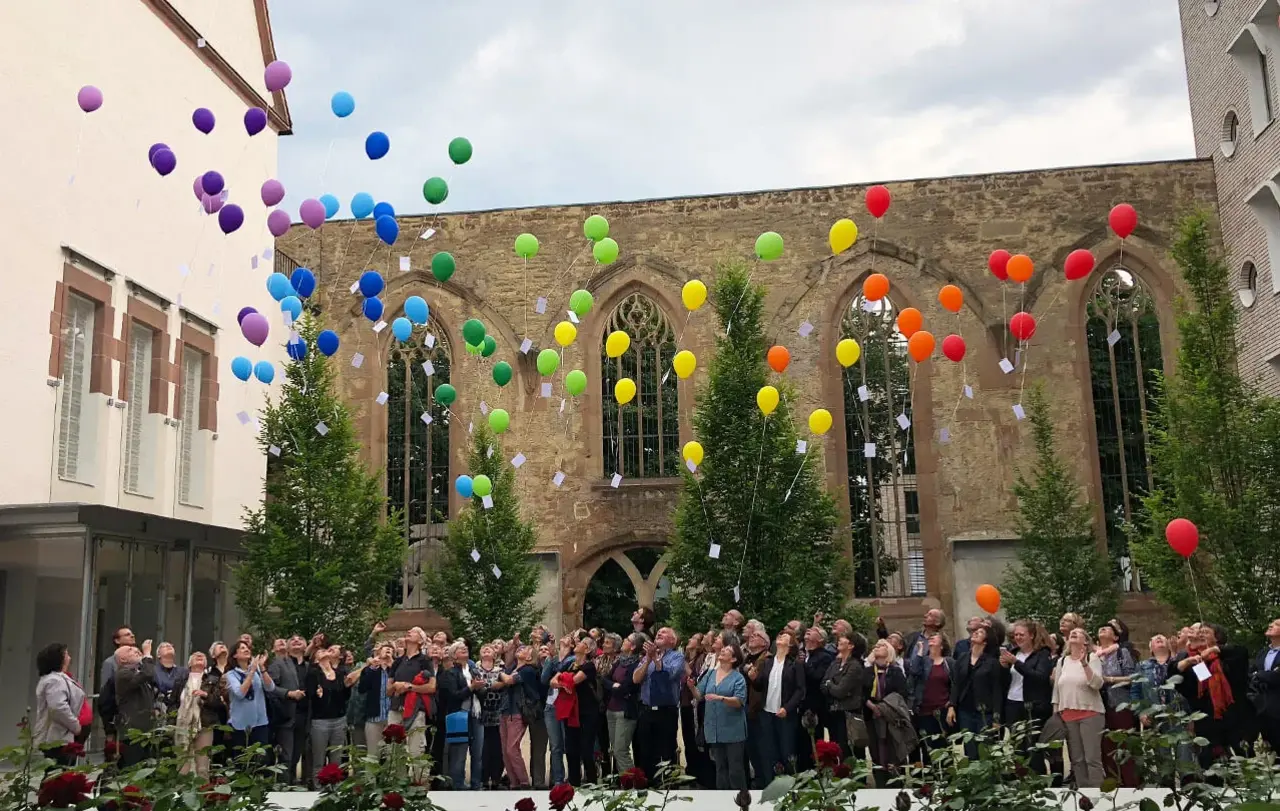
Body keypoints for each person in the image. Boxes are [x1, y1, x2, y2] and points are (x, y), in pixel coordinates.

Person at [1176, 622, 1257, 766]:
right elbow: (1186, 685)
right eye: (1198, 633)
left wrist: (1213, 650)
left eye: (1205, 632)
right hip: (1208, 722)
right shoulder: (1193, 660)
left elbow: (1241, 652)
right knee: (1210, 762)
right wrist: (1189, 661)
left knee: (1244, 760)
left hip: (1236, 718)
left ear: (1217, 638)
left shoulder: (1230, 656)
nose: (1200, 635)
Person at [1051, 628, 1105, 789]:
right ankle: (1084, 794)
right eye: (1071, 633)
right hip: (1067, 715)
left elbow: (1097, 684)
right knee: (1077, 760)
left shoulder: (1092, 657)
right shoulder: (1062, 661)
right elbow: (1057, 689)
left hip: (1090, 714)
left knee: (1092, 758)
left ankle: (1097, 794)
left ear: (1086, 641)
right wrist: (1056, 713)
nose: (1073, 634)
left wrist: (1084, 663)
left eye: (1078, 633)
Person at [691, 641, 749, 789]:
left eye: (727, 650)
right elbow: (699, 695)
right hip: (714, 729)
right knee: (720, 768)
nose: (722, 651)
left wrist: (721, 698)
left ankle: (740, 800)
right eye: (722, 649)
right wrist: (691, 687)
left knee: (735, 769)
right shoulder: (711, 674)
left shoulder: (738, 678)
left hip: (733, 730)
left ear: (734, 659)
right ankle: (722, 800)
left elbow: (739, 701)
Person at [748, 629, 805, 779]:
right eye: (779, 635)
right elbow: (760, 686)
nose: (780, 636)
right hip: (766, 713)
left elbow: (800, 690)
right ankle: (770, 784)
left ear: (791, 643)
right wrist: (754, 678)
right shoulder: (768, 662)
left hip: (784, 714)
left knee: (787, 752)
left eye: (785, 635)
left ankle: (791, 788)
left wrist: (787, 708)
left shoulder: (795, 664)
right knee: (769, 751)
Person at [632, 626, 685, 781]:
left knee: (667, 750)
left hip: (666, 711)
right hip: (647, 710)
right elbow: (636, 678)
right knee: (646, 751)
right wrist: (648, 659)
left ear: (672, 640)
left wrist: (655, 658)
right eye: (658, 632)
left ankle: (669, 785)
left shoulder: (677, 657)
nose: (659, 634)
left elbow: (669, 675)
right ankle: (648, 785)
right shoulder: (646, 656)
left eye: (664, 632)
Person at [946, 624, 1003, 760]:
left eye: (981, 632)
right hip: (965, 709)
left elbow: (997, 690)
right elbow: (956, 684)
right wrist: (951, 706)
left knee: (985, 747)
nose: (976, 633)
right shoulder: (963, 658)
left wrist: (996, 717)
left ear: (986, 640)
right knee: (969, 747)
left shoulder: (992, 662)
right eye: (975, 631)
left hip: (985, 711)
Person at [1096, 619, 1138, 787]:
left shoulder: (1122, 654)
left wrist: (1110, 679)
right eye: (1101, 628)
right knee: (1106, 747)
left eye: (1107, 629)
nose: (1102, 629)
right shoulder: (1094, 655)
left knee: (1125, 744)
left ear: (1115, 637)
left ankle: (1132, 783)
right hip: (1101, 707)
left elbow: (1133, 677)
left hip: (1121, 705)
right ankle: (1115, 783)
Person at [34, 642, 86, 765]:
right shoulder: (54, 680)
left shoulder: (57, 678)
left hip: (62, 735)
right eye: (66, 654)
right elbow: (58, 707)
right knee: (58, 773)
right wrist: (75, 726)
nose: (69, 657)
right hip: (57, 736)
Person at [268, 636, 310, 784]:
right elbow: (270, 688)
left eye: (300, 639)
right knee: (286, 755)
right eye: (292, 640)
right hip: (286, 715)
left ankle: (293, 785)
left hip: (305, 716)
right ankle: (283, 787)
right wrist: (288, 693)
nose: (297, 640)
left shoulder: (309, 666)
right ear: (286, 646)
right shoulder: (278, 663)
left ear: (306, 646)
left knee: (297, 755)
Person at [224, 640, 274, 763]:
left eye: (247, 648)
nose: (246, 650)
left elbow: (270, 687)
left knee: (262, 760)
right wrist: (251, 671)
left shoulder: (257, 670)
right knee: (242, 761)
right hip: (241, 725)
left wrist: (261, 667)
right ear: (235, 655)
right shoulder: (231, 674)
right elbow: (240, 693)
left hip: (260, 722)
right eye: (242, 648)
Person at [558, 637, 599, 786]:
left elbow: (574, 681)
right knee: (571, 748)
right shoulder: (569, 665)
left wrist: (562, 680)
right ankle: (573, 781)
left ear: (587, 649)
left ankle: (592, 781)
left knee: (586, 748)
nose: (577, 643)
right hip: (571, 711)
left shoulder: (589, 666)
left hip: (587, 711)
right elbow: (553, 681)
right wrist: (563, 680)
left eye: (582, 642)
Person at [175, 651, 223, 778]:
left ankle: (203, 794)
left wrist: (206, 695)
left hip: (205, 724)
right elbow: (173, 703)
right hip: (183, 725)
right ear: (189, 663)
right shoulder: (181, 680)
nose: (199, 656)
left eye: (202, 656)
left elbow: (219, 703)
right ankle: (181, 794)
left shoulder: (212, 680)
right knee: (183, 762)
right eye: (195, 656)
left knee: (203, 764)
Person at [603, 632, 644, 773]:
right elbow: (605, 680)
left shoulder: (636, 665)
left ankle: (633, 783)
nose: (624, 641)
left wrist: (615, 686)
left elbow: (627, 687)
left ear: (632, 646)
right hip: (611, 709)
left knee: (621, 751)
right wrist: (614, 685)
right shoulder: (619, 661)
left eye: (626, 640)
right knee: (615, 750)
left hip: (624, 712)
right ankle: (624, 782)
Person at [907, 632, 951, 764]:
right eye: (929, 637)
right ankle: (930, 781)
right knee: (928, 748)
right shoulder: (923, 660)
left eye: (935, 637)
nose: (930, 638)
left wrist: (951, 703)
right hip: (924, 710)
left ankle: (946, 779)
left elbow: (955, 684)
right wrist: (920, 652)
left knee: (943, 748)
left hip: (942, 710)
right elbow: (913, 672)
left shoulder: (949, 662)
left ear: (942, 645)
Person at [114, 639, 159, 768]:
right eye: (129, 650)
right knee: (133, 768)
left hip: (146, 730)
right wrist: (147, 655)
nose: (135, 650)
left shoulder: (137, 673)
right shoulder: (123, 674)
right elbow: (148, 673)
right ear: (122, 660)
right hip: (133, 732)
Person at [796, 626, 833, 771]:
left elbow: (818, 677)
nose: (808, 632)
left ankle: (815, 770)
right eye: (807, 631)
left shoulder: (824, 656)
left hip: (815, 705)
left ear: (820, 639)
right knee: (802, 741)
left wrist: (804, 665)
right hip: (801, 703)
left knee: (813, 740)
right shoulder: (803, 654)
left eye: (813, 631)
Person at [1254, 617, 1280, 752]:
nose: (1270, 625)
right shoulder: (1263, 652)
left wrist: (1260, 674)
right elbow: (1251, 673)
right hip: (1263, 708)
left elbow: (1277, 677)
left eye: (1276, 624)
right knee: (1270, 750)